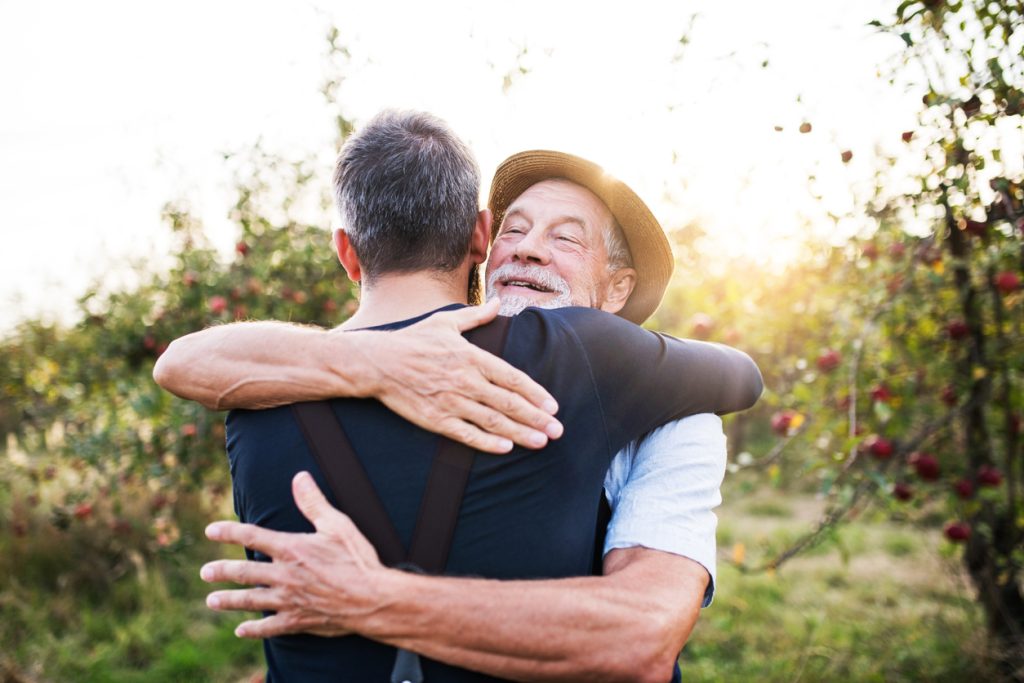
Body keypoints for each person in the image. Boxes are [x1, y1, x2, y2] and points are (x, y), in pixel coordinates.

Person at [154, 110, 762, 681]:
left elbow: (641, 636)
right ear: (481, 238)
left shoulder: (255, 403)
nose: (526, 247)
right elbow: (182, 362)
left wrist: (372, 600)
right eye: (513, 229)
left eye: (567, 239)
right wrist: (379, 360)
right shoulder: (574, 354)